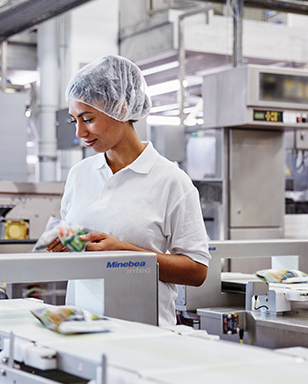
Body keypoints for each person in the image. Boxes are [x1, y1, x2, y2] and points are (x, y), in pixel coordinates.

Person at [47, 54, 210, 326]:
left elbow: (196, 271)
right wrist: (62, 246)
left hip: (144, 334)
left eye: (87, 119)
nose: (79, 132)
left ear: (121, 110)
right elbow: (76, 252)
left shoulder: (171, 181)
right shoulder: (79, 175)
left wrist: (125, 253)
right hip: (82, 329)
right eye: (74, 120)